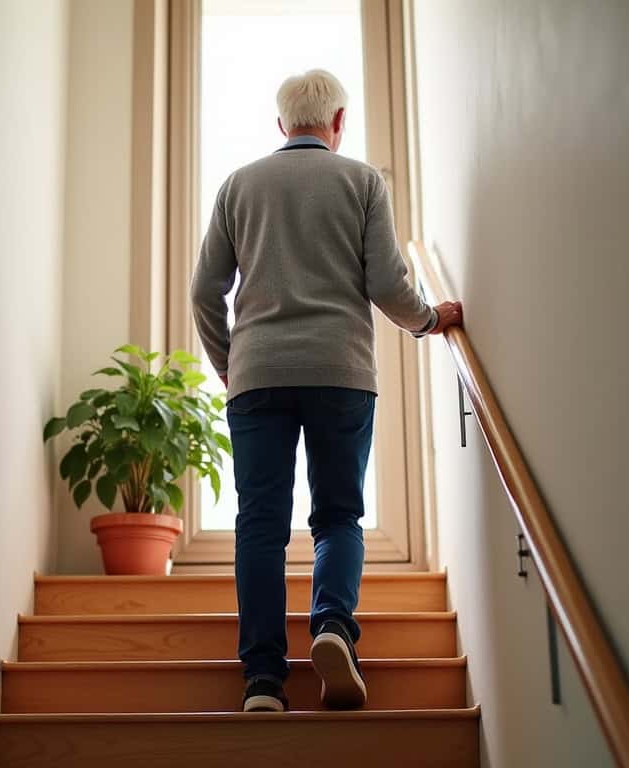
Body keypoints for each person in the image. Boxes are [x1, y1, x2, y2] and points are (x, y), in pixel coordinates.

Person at [191, 68, 463, 713]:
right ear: (338, 122)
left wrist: (230, 363)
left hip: (257, 375)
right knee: (338, 516)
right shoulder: (362, 182)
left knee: (260, 524)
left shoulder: (239, 185)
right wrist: (429, 320)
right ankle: (334, 626)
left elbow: (206, 292)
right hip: (340, 371)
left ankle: (263, 682)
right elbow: (389, 284)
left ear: (281, 124)